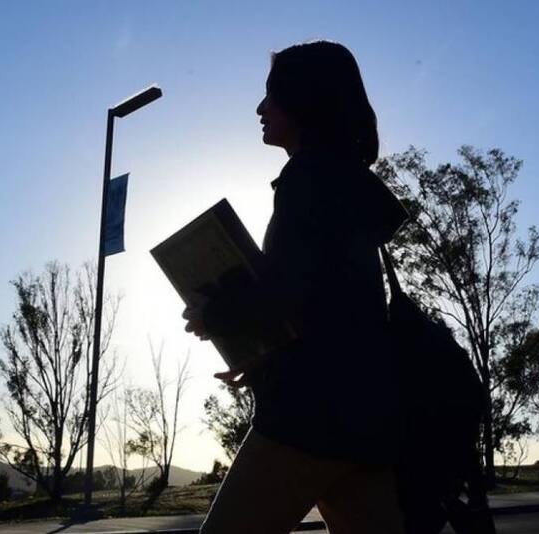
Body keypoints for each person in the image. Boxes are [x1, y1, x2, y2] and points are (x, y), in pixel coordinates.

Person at [182, 41, 411, 534]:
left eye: (272, 96)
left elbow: (283, 294)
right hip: (362, 423)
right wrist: (262, 352)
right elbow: (327, 305)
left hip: (306, 422)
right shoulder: (346, 186)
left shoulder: (308, 182)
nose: (261, 109)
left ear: (304, 102)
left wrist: (214, 315)